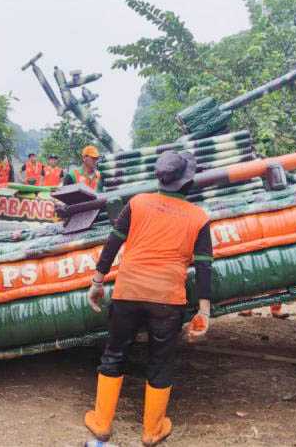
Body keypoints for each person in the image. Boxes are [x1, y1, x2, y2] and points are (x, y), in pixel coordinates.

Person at [83, 150, 212, 446]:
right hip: (168, 300)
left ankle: (102, 424)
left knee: (114, 353)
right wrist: (204, 311)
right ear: (187, 182)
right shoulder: (199, 218)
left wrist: (97, 282)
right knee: (160, 361)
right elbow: (204, 266)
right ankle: (151, 431)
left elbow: (113, 243)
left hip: (128, 292)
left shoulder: (137, 203)